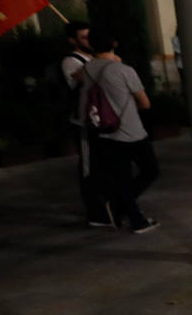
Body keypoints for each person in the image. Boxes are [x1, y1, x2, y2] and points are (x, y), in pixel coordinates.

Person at [79, 28, 159, 234]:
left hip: (104, 131)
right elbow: (145, 103)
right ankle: (121, 206)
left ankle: (134, 218)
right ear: (114, 43)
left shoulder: (87, 69)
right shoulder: (123, 70)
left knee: (121, 176)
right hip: (130, 130)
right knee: (150, 170)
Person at [60, 21, 110, 226]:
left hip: (104, 119)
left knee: (106, 164)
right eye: (83, 37)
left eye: (90, 36)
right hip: (85, 121)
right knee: (89, 166)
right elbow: (83, 78)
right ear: (73, 40)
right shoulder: (71, 61)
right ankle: (95, 212)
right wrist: (102, 60)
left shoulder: (95, 58)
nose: (88, 41)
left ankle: (109, 205)